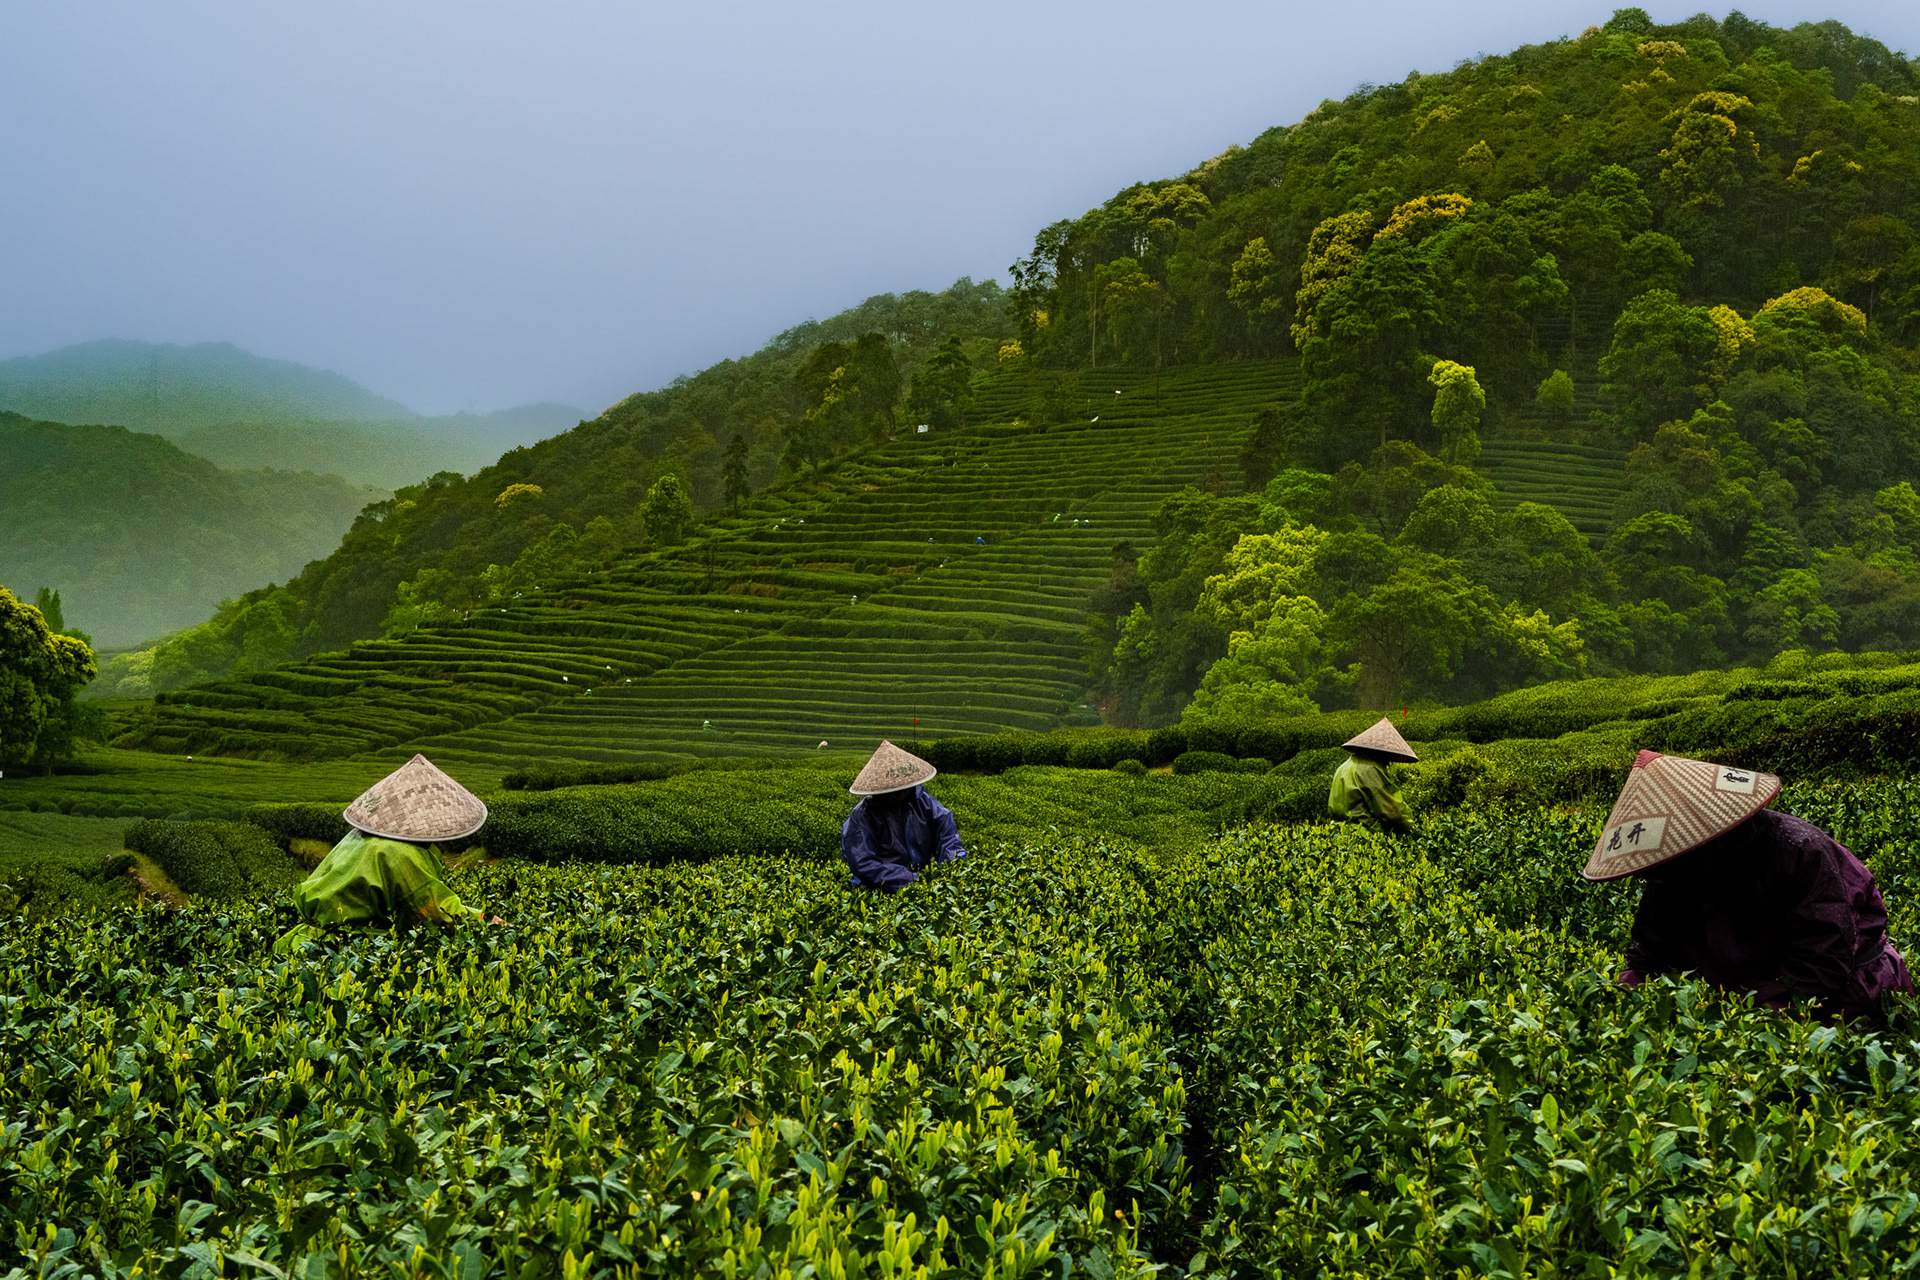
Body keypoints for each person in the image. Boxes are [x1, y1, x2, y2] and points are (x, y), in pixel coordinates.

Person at [1583, 750, 1911, 1022]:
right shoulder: (1673, 871)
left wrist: (1746, 1016)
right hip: (1747, 995)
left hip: (1844, 996)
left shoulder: (1799, 851)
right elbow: (1652, 953)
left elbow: (1822, 963)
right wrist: (1622, 998)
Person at [272, 754, 496, 955]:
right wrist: (485, 920)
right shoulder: (400, 853)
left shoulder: (358, 836)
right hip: (337, 952)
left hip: (301, 942)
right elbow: (436, 912)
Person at [841, 740, 966, 890]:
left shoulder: (926, 805)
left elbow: (949, 840)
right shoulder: (862, 817)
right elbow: (864, 864)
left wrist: (948, 872)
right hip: (878, 890)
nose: (898, 793)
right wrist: (911, 880)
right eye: (892, 790)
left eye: (902, 787)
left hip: (921, 884)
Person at [1328, 717, 1417, 834]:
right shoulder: (1368, 768)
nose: (1389, 761)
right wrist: (1413, 830)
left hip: (1338, 832)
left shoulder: (1345, 766)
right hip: (1362, 835)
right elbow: (1392, 812)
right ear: (1380, 751)